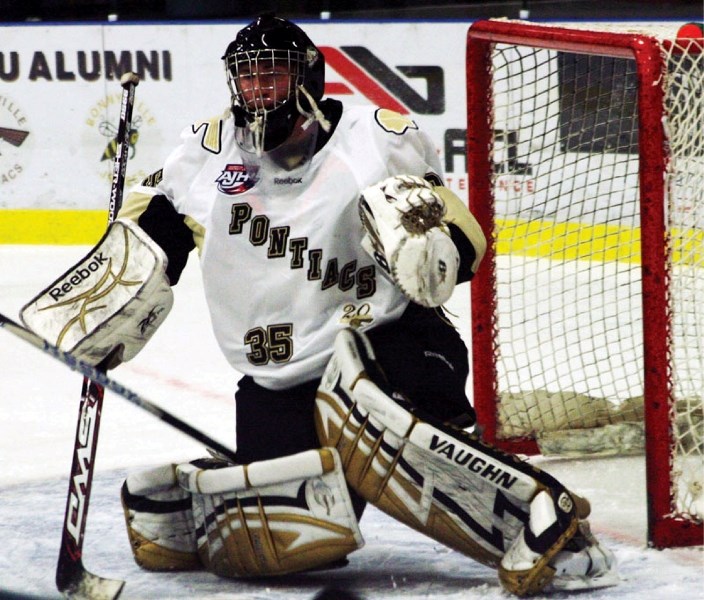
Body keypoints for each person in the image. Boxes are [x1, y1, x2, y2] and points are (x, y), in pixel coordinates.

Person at [22, 15, 617, 596]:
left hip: (389, 344)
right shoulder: (206, 155)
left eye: (271, 77)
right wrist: (111, 298)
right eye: (246, 79)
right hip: (278, 379)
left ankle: (545, 518)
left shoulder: (377, 138)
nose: (256, 92)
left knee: (373, 417)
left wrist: (430, 249)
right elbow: (153, 241)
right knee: (282, 537)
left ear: (308, 79)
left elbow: (460, 250)